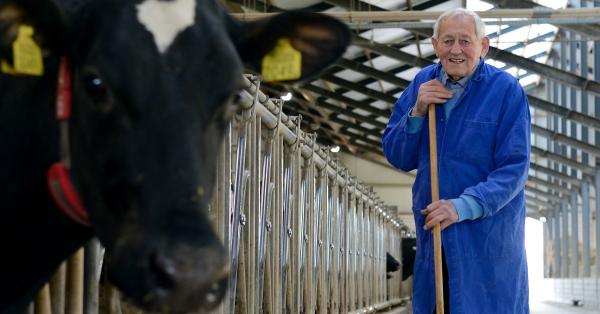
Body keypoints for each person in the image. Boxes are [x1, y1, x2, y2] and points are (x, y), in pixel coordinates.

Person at [382, 8, 531, 314]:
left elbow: (514, 168)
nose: (456, 49)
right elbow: (398, 156)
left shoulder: (505, 90)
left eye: (465, 40)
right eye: (448, 40)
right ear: (436, 45)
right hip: (435, 235)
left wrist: (460, 206)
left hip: (487, 240)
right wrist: (417, 113)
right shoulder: (422, 85)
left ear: (483, 46)